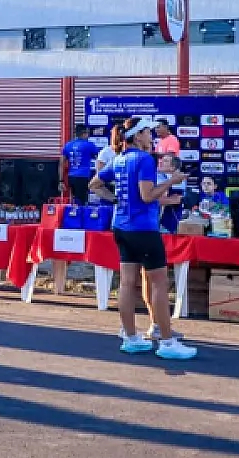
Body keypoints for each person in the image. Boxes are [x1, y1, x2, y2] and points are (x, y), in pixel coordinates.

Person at [90, 117, 196, 360]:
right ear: (138, 136)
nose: (152, 136)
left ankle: (130, 337)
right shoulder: (145, 159)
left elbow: (94, 183)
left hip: (121, 226)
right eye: (148, 132)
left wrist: (115, 199)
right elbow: (148, 196)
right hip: (144, 228)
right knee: (159, 282)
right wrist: (172, 180)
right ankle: (167, 341)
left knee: (127, 283)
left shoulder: (118, 159)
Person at [60, 125, 100, 203]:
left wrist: (61, 180)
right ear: (84, 133)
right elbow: (99, 158)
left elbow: (61, 163)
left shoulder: (68, 145)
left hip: (71, 177)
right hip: (83, 177)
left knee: (75, 200)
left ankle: (74, 213)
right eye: (87, 133)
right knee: (82, 201)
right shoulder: (89, 145)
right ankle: (80, 214)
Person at [93, 124, 125, 203]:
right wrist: (113, 198)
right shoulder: (105, 152)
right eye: (117, 135)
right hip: (110, 188)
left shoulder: (133, 152)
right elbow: (99, 175)